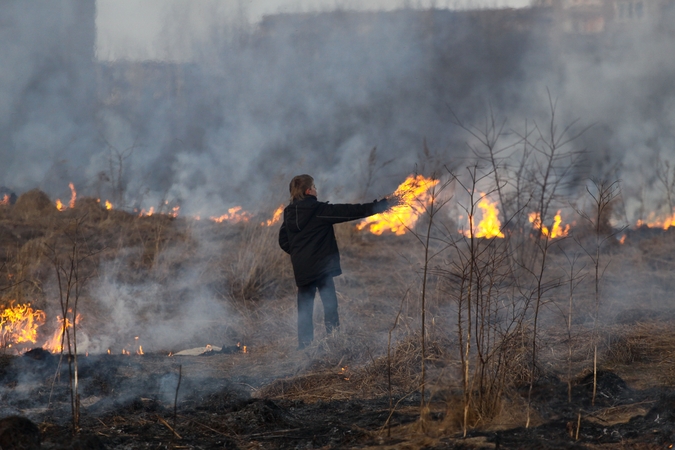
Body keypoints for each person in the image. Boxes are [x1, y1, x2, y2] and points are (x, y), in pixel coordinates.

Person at [279, 174, 398, 349]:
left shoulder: (289, 214)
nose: (316, 189)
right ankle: (334, 343)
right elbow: (349, 211)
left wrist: (299, 254)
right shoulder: (318, 211)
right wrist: (379, 206)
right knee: (330, 306)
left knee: (304, 310)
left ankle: (305, 347)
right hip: (321, 268)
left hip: (302, 269)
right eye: (314, 186)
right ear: (308, 191)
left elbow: (283, 241)